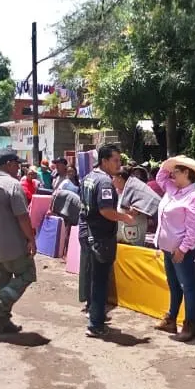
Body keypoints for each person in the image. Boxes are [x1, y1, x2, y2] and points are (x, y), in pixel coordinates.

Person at [79, 144, 135, 337]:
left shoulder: (88, 178)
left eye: (120, 160)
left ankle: (94, 315)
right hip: (100, 236)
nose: (119, 164)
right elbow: (106, 211)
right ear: (104, 161)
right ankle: (96, 323)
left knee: (93, 277)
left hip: (88, 233)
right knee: (101, 280)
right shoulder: (104, 182)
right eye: (116, 160)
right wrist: (125, 218)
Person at [0, 150, 37, 335]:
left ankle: (1, 323)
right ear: (9, 164)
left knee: (1, 280)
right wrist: (31, 239)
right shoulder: (12, 185)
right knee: (27, 273)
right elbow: (22, 217)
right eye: (17, 164)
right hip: (12, 246)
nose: (19, 168)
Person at [152, 156, 195, 342]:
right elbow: (161, 176)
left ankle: (189, 324)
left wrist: (182, 249)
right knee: (174, 285)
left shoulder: (194, 197)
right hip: (169, 248)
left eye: (176, 171)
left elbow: (194, 230)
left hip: (180, 250)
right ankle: (171, 318)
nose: (171, 174)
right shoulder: (174, 190)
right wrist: (170, 162)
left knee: (187, 286)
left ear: (186, 173)